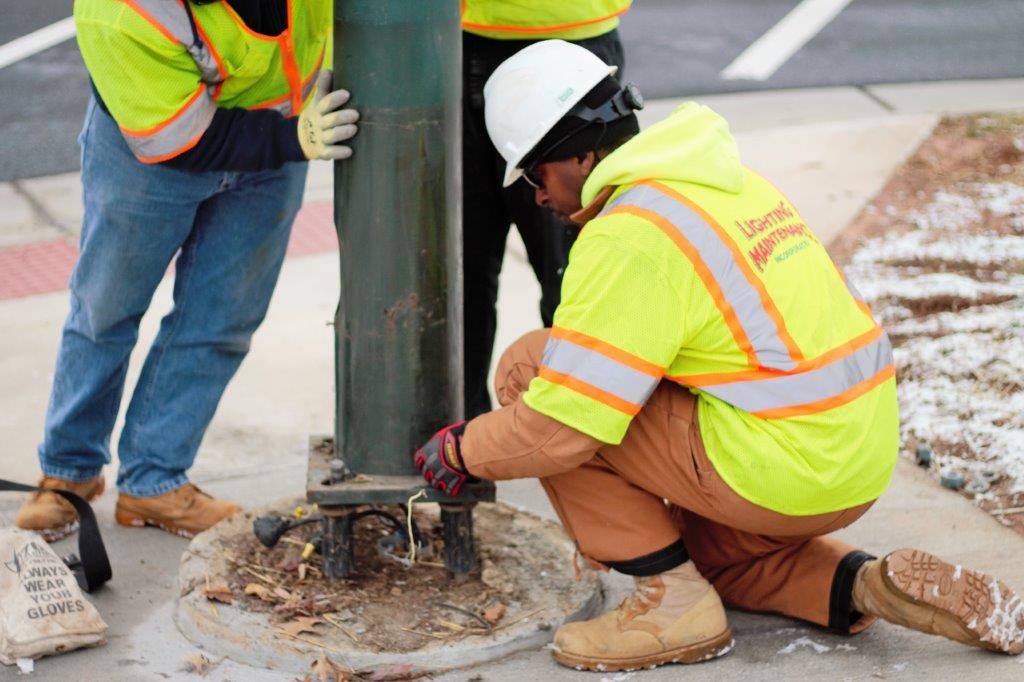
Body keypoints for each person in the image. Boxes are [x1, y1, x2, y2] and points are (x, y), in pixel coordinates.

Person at [414, 40, 1024, 672]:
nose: (537, 197)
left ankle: (669, 602)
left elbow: (564, 424)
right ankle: (865, 586)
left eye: (536, 175)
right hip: (859, 456)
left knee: (532, 370)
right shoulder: (722, 182)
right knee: (703, 550)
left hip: (781, 468)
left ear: (581, 155)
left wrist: (464, 450)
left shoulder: (630, 235)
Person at [17, 0, 357, 541]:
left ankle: (153, 482)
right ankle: (69, 473)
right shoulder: (121, 12)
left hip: (273, 141)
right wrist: (291, 140)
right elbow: (179, 138)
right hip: (150, 156)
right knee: (106, 311)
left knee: (222, 318)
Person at [461, 0, 631, 418]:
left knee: (574, 282)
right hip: (473, 37)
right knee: (464, 277)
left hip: (567, 41)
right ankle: (467, 446)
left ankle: (573, 435)